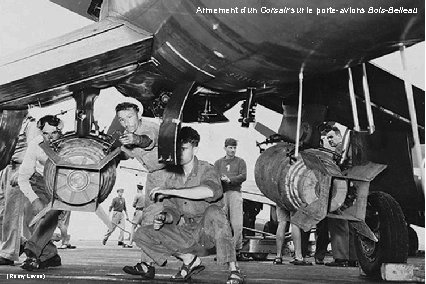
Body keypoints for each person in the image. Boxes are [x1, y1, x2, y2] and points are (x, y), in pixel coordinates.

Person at [123, 127, 244, 284]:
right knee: (141, 234)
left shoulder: (207, 169)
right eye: (176, 149)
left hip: (209, 233)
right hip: (188, 233)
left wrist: (172, 191)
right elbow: (172, 210)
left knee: (214, 211)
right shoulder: (173, 177)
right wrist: (163, 217)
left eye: (184, 149)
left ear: (195, 148)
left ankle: (234, 271)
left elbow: (208, 191)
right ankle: (189, 260)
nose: (179, 153)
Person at [19, 115, 65, 270]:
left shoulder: (68, 145)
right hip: (39, 183)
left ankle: (31, 251)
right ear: (41, 132)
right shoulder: (36, 145)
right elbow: (23, 178)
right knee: (31, 216)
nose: (50, 138)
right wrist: (34, 199)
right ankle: (50, 256)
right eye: (46, 134)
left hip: (60, 187)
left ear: (61, 131)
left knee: (50, 215)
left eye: (54, 133)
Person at [114, 102, 166, 224]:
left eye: (130, 117)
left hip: (167, 174)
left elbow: (147, 141)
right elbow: (129, 154)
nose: (126, 123)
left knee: (162, 214)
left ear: (139, 115)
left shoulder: (149, 127)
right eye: (121, 120)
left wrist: (136, 139)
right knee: (149, 215)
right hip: (153, 175)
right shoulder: (127, 134)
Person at [0, 116, 38, 265]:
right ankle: (20, 243)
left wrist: (22, 171)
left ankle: (8, 253)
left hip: (17, 168)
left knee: (12, 212)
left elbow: (33, 149)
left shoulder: (30, 124)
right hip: (5, 168)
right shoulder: (7, 122)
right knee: (2, 213)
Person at [317, 125, 357, 267]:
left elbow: (338, 167)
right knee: (352, 224)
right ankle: (353, 258)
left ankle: (340, 257)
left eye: (331, 137)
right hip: (354, 188)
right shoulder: (356, 145)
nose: (330, 141)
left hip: (342, 187)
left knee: (337, 222)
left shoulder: (342, 148)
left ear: (340, 136)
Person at [214, 138, 247, 255]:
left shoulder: (240, 162)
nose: (233, 150)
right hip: (222, 194)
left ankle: (236, 248)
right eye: (230, 147)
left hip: (235, 193)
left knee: (237, 223)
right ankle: (223, 250)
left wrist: (230, 180)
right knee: (222, 223)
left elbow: (243, 176)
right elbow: (213, 177)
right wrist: (220, 180)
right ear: (225, 148)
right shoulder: (218, 163)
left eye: (234, 148)